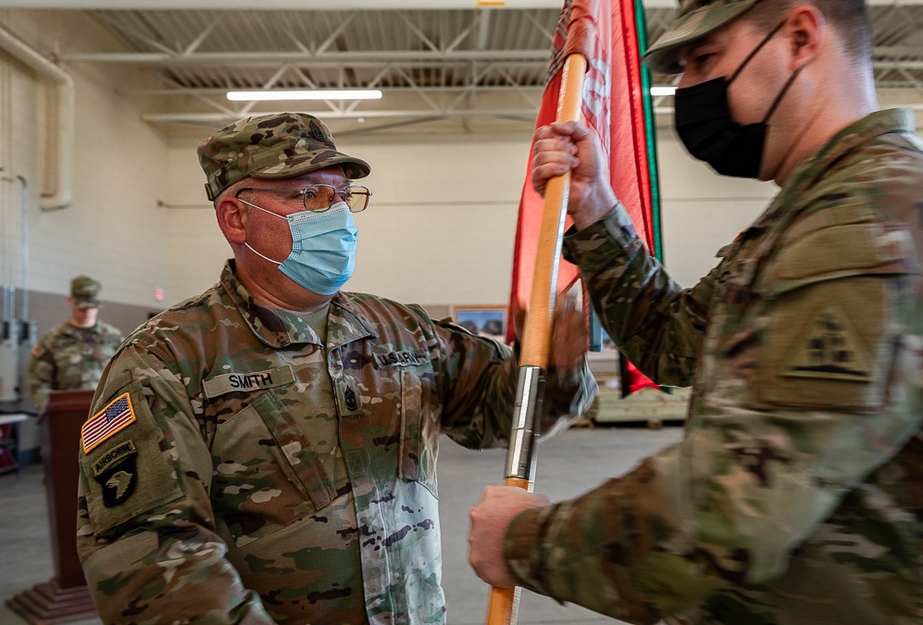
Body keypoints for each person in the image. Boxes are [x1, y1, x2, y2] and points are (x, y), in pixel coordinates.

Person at [467, 0, 923, 623]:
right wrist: (596, 207)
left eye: (705, 58)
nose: (687, 86)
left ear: (802, 37)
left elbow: (736, 508)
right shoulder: (818, 212)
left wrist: (525, 542)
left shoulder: (871, 221)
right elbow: (675, 340)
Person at [75, 112, 596, 625]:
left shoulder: (402, 329)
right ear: (235, 217)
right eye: (309, 197)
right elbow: (146, 555)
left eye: (343, 197)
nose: (337, 214)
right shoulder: (168, 357)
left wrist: (555, 366)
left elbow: (506, 415)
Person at [28, 275, 123, 412]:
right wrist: (50, 410)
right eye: (82, 308)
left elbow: (124, 378)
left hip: (105, 415)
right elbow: (38, 383)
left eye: (91, 307)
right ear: (70, 300)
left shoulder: (114, 338)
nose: (87, 312)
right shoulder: (52, 340)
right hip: (66, 415)